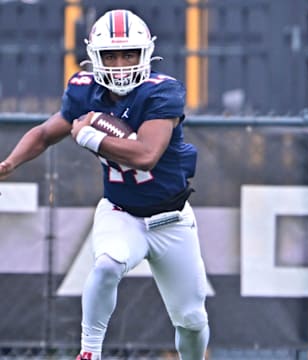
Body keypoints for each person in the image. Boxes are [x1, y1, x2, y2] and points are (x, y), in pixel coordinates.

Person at [0, 9, 209, 360]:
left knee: (190, 319)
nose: (121, 64)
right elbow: (43, 133)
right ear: (95, 58)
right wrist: (8, 163)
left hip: (171, 220)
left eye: (129, 53)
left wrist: (89, 137)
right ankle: (89, 353)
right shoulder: (84, 91)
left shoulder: (162, 92)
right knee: (108, 264)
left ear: (146, 54)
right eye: (111, 55)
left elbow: (146, 156)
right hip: (120, 211)